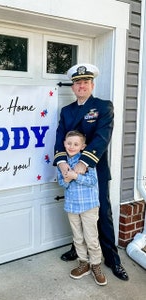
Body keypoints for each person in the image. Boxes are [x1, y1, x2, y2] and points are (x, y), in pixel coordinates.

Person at [53, 63, 129, 281]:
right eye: (77, 82)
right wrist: (62, 164)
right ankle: (79, 253)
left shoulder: (103, 107)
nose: (81, 86)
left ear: (92, 84)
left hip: (94, 169)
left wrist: (83, 163)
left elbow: (102, 137)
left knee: (102, 214)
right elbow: (60, 138)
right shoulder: (67, 111)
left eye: (85, 82)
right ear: (73, 87)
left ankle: (112, 259)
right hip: (70, 170)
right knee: (77, 214)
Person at [57, 130, 107, 286]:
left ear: (83, 146)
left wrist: (76, 176)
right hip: (72, 206)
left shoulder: (86, 161)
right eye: (69, 143)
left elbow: (92, 181)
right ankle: (83, 263)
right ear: (64, 143)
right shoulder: (62, 163)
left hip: (89, 206)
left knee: (91, 238)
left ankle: (96, 265)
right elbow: (61, 183)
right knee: (78, 238)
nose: (72, 146)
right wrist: (66, 178)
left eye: (76, 144)